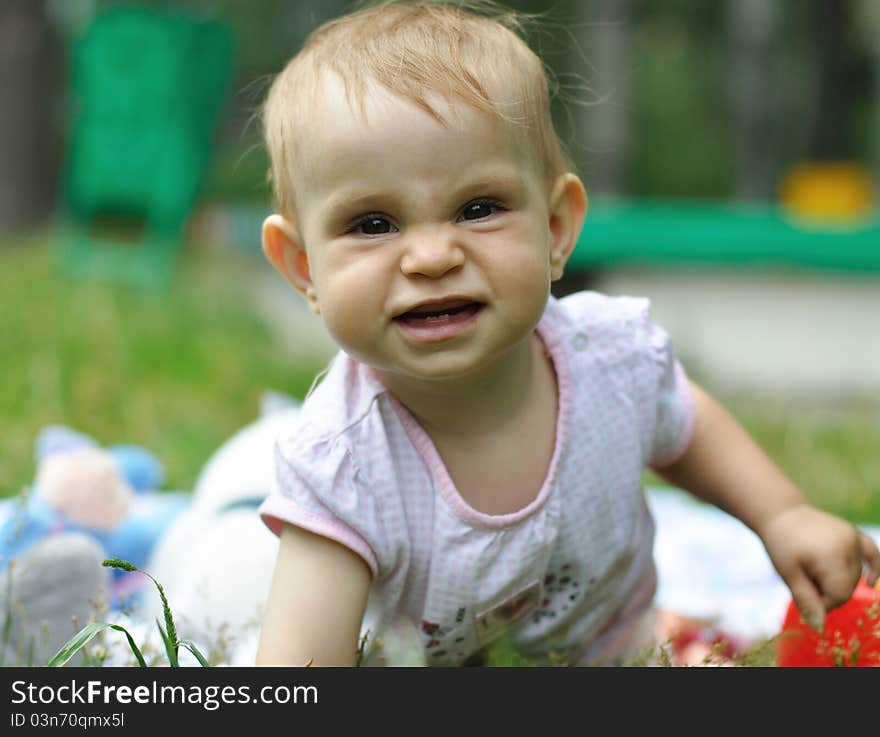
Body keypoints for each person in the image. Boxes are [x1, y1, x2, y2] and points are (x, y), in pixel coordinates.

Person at [253, 0, 880, 666]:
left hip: (620, 646)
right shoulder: (345, 466)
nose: (432, 256)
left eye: (479, 208)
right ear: (304, 267)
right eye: (373, 224)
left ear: (555, 229)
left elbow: (685, 420)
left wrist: (780, 514)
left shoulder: (609, 356)